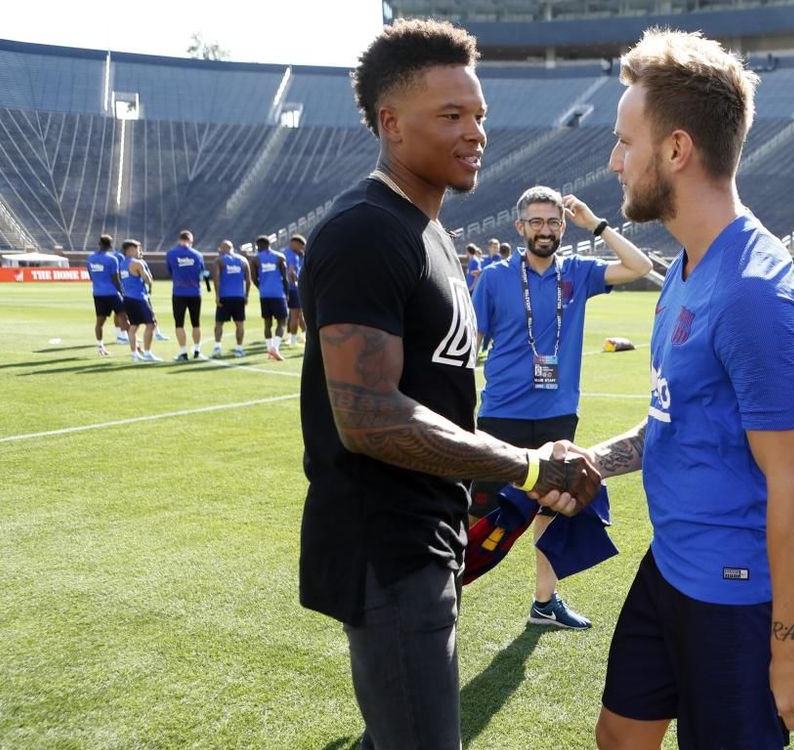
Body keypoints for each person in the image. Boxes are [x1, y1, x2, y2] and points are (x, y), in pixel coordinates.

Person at [297, 20, 601, 750]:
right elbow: (369, 418)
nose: (476, 133)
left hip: (426, 538)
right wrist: (526, 466)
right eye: (452, 116)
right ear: (391, 123)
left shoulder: (428, 232)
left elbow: (432, 400)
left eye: (479, 116)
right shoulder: (367, 230)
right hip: (387, 546)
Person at [541, 29, 794, 748]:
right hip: (670, 566)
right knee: (619, 739)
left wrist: (789, 649)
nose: (613, 159)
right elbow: (677, 421)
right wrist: (593, 461)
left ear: (675, 150)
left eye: (624, 142)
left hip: (732, 601)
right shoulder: (687, 267)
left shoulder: (753, 293)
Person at [470, 185, 651, 630]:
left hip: (557, 415)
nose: (545, 230)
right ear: (520, 227)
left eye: (553, 222)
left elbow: (640, 266)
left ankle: (544, 603)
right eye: (536, 222)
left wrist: (597, 224)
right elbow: (472, 341)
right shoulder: (494, 278)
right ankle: (445, 593)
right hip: (501, 415)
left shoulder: (579, 272)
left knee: (551, 507)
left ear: (563, 226)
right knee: (479, 511)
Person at [165, 229, 205, 361]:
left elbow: (170, 271)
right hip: (195, 292)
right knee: (196, 323)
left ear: (179, 239)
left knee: (179, 324)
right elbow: (202, 273)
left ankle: (183, 353)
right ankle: (197, 350)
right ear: (191, 241)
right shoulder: (198, 255)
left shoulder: (171, 253)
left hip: (179, 292)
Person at [120, 240, 162, 362]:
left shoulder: (122, 263)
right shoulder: (137, 263)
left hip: (127, 298)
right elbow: (149, 280)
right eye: (137, 249)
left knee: (133, 326)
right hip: (139, 298)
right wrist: (146, 272)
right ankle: (147, 353)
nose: (139, 252)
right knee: (151, 324)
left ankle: (135, 355)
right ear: (130, 250)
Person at [211, 241, 252, 359]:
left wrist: (217, 295)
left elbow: (216, 279)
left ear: (224, 248)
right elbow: (248, 280)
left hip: (225, 296)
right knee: (239, 323)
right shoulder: (243, 260)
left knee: (219, 323)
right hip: (239, 296)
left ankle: (217, 348)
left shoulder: (219, 260)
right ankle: (239, 349)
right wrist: (246, 295)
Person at [254, 236, 289, 361]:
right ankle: (275, 348)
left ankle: (269, 349)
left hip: (264, 295)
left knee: (267, 323)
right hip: (278, 294)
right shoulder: (280, 257)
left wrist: (262, 287)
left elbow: (254, 278)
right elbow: (285, 278)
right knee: (282, 322)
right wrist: (287, 293)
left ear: (259, 245)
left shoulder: (256, 259)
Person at [87, 234, 123, 356]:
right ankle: (135, 346)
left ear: (99, 244)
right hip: (112, 293)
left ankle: (100, 347)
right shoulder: (112, 259)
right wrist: (123, 293)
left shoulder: (90, 258)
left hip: (97, 293)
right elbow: (115, 279)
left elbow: (91, 276)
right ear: (110, 245)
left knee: (99, 322)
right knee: (125, 317)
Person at [285, 234, 306, 346]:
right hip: (293, 289)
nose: (301, 249)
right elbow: (292, 272)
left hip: (284, 289)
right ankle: (293, 340)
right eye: (300, 246)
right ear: (295, 243)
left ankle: (301, 335)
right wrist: (296, 283)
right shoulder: (293, 256)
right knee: (297, 315)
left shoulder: (283, 253)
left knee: (295, 314)